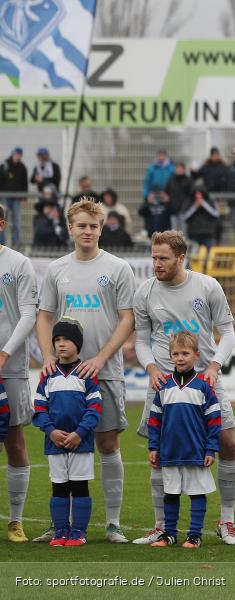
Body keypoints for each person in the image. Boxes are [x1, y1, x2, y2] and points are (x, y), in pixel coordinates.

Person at [34, 199, 134, 544]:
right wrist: (47, 354)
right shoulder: (56, 269)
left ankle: (113, 523)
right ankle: (59, 524)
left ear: (102, 228)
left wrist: (102, 357)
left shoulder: (119, 267)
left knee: (107, 443)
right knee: (60, 445)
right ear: (71, 228)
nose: (88, 231)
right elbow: (44, 315)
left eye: (93, 226)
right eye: (81, 225)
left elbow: (127, 318)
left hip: (103, 371)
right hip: (62, 376)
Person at [132, 231, 235, 545]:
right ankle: (161, 526)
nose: (156, 264)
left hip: (205, 380)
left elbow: (228, 333)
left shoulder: (207, 286)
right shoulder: (145, 292)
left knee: (228, 444)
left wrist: (214, 366)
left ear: (181, 258)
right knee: (159, 453)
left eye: (163, 258)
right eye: (154, 257)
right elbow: (141, 340)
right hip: (164, 383)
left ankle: (227, 520)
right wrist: (152, 367)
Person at [147, 332, 221, 549]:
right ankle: (169, 534)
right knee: (170, 493)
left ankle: (195, 535)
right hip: (169, 452)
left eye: (185, 353)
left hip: (196, 452)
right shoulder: (164, 386)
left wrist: (211, 449)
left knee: (197, 493)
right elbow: (155, 420)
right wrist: (154, 447)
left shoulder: (203, 386)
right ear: (170, 356)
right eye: (175, 353)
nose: (180, 358)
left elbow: (214, 420)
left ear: (196, 355)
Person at [32, 317, 102, 547]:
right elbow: (39, 408)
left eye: (67, 339)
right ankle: (61, 531)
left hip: (80, 442)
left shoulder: (87, 374)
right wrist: (50, 430)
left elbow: (95, 409)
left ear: (78, 344)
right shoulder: (48, 375)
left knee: (79, 486)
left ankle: (79, 532)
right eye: (58, 339)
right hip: (55, 443)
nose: (61, 344)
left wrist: (80, 432)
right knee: (59, 487)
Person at [0, 203, 39, 542]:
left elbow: (28, 314)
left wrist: (5, 351)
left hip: (10, 368)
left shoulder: (17, 263)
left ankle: (15, 520)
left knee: (14, 440)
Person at [190, 147, 229, 244]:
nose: (215, 157)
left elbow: (228, 183)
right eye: (213, 155)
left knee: (219, 222)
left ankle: (218, 242)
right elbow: (196, 176)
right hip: (208, 199)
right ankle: (210, 242)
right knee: (210, 221)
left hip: (220, 199)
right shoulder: (206, 167)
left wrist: (224, 199)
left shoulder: (224, 167)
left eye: (217, 154)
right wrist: (192, 171)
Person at [0, 147, 28, 246]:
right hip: (5, 198)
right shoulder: (4, 165)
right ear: (12, 154)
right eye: (16, 154)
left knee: (16, 221)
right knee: (2, 220)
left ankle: (15, 243)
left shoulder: (22, 167)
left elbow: (25, 183)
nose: (17, 156)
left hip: (17, 198)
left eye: (19, 155)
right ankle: (1, 242)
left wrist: (24, 198)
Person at [182, 186, 221, 253]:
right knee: (194, 255)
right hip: (194, 234)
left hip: (208, 234)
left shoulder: (210, 202)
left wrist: (203, 204)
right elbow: (185, 217)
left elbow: (216, 214)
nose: (198, 196)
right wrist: (195, 206)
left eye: (199, 194)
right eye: (196, 194)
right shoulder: (189, 202)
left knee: (209, 255)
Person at [165, 162, 194, 233]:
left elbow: (191, 194)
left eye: (181, 168)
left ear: (184, 169)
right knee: (173, 230)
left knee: (183, 230)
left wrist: (186, 206)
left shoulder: (188, 180)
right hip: (173, 209)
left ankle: (182, 243)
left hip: (184, 209)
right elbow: (166, 192)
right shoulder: (171, 180)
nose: (179, 170)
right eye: (177, 168)